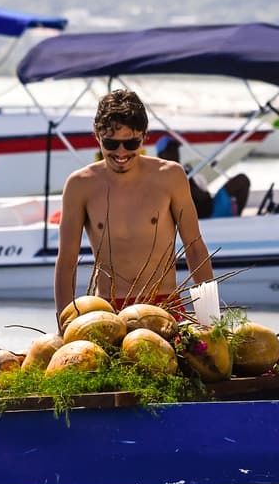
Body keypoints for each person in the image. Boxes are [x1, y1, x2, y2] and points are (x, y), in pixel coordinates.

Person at [55, 90, 214, 319]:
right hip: (108, 311)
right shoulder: (80, 185)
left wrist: (210, 318)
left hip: (165, 307)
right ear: (97, 136)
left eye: (131, 143)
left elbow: (195, 248)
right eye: (111, 143)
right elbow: (67, 261)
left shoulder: (170, 176)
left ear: (144, 136)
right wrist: (63, 323)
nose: (121, 152)